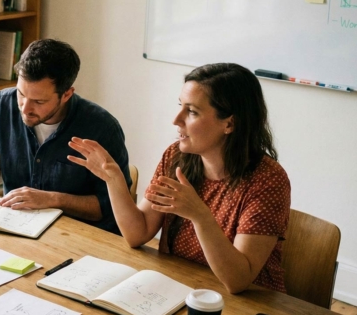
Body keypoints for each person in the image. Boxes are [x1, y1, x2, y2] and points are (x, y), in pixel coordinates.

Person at [68, 63, 290, 294]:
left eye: (192, 111)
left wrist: (200, 216)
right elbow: (137, 234)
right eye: (180, 106)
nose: (176, 119)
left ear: (229, 123)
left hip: (250, 304)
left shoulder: (268, 180)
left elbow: (238, 280)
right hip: (179, 286)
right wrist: (113, 179)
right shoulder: (177, 156)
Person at [0, 39, 131, 234]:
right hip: (14, 228)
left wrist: (53, 199)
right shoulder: (3, 105)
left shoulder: (101, 128)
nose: (25, 108)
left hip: (78, 238)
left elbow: (111, 206)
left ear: (66, 94)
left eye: (39, 101)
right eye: (21, 94)